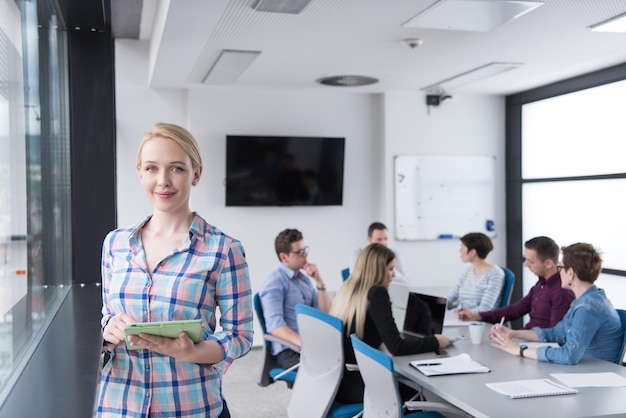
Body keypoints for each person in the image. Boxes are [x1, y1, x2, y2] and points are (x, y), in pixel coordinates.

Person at [95, 123, 253, 417]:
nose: (163, 181)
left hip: (189, 406)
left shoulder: (224, 250)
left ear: (196, 174)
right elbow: (106, 315)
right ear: (140, 173)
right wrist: (108, 332)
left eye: (177, 168)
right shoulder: (114, 244)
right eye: (152, 168)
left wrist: (192, 353)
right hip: (119, 405)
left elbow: (241, 335)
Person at [331, 243, 450, 404]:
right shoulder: (377, 293)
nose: (393, 275)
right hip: (362, 386)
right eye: (391, 269)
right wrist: (436, 341)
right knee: (419, 396)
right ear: (378, 270)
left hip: (339, 383)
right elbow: (396, 347)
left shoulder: (348, 288)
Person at [491, 243, 623, 364]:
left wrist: (520, 350)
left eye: (560, 267)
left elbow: (569, 355)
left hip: (593, 375)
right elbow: (556, 333)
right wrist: (513, 333)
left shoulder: (587, 308)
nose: (559, 272)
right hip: (581, 369)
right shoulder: (585, 300)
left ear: (570, 273)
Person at [458, 236, 574, 329]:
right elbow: (516, 310)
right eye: (525, 259)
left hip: (538, 346)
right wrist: (477, 316)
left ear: (548, 263)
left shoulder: (561, 291)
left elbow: (554, 334)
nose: (525, 265)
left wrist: (514, 334)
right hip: (528, 339)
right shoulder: (541, 285)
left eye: (530, 261)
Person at [257, 228, 330, 369]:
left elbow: (325, 313)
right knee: (330, 372)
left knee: (345, 365)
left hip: (309, 344)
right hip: (290, 350)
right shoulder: (274, 283)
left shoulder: (303, 279)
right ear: (284, 257)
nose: (306, 255)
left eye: (305, 249)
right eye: (299, 252)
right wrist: (307, 345)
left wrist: (319, 282)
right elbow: (276, 327)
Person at [447, 232, 504, 312]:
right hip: (461, 318)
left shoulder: (495, 274)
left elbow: (485, 308)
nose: (460, 251)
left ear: (472, 252)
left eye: (462, 248)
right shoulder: (469, 271)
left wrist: (462, 314)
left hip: (477, 321)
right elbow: (451, 297)